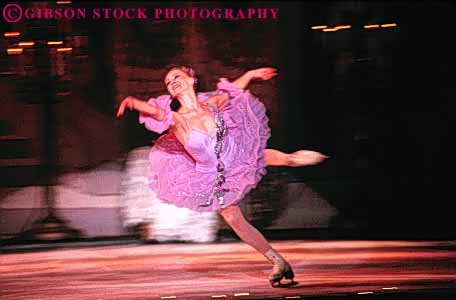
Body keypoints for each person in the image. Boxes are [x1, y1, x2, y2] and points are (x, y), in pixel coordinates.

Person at [117, 66, 327, 287]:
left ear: (191, 79)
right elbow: (158, 113)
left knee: (286, 159)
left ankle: (308, 158)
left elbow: (232, 92)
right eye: (169, 82)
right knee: (235, 219)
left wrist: (252, 74)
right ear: (170, 93)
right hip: (212, 176)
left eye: (177, 76)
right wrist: (132, 102)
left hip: (236, 156)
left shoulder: (212, 104)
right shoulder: (178, 119)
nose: (173, 82)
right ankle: (278, 262)